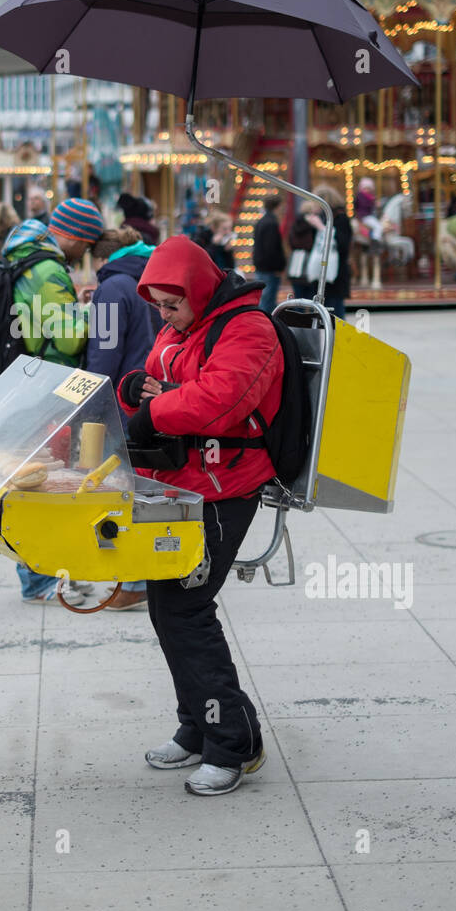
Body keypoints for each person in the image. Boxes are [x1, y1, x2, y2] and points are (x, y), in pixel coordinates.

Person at [118, 236, 281, 795]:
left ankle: (235, 743)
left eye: (172, 304)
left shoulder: (247, 329)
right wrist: (133, 391)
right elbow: (156, 381)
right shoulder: (183, 326)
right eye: (158, 306)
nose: (164, 315)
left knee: (187, 610)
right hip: (178, 484)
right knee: (167, 611)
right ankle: (199, 723)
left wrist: (154, 409)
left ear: (199, 289)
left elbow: (220, 400)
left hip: (223, 489)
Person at [2, 198, 104, 606]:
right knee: (43, 482)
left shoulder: (28, 256)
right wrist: (92, 315)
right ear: (76, 236)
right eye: (88, 243)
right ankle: (37, 579)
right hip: (51, 386)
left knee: (37, 477)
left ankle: (39, 576)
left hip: (32, 379)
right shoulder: (48, 270)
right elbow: (67, 338)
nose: (87, 252)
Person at [85, 226, 160, 612]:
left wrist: (89, 400)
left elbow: (104, 351)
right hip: (152, 395)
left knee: (121, 490)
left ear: (102, 259)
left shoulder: (113, 287)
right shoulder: (149, 278)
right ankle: (151, 573)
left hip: (121, 401)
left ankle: (132, 582)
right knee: (147, 488)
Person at [305, 185, 352, 321]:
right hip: (322, 272)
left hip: (335, 273)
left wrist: (321, 227)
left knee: (335, 312)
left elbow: (342, 244)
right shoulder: (323, 217)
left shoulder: (340, 218)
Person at [253, 195, 286, 313]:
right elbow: (271, 249)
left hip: (261, 266)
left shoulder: (261, 221)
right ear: (277, 207)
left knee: (264, 299)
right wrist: (279, 266)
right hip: (269, 269)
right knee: (268, 302)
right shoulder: (271, 223)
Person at [286, 200, 319, 301]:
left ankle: (298, 316)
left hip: (296, 261)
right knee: (311, 298)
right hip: (309, 260)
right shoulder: (313, 225)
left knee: (298, 296)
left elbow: (290, 241)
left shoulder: (295, 224)